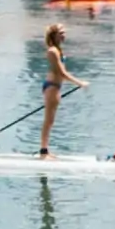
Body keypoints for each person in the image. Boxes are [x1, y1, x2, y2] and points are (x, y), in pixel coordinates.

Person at [39, 24, 89, 157]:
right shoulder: (52, 51)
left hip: (56, 87)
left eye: (64, 33)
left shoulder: (58, 50)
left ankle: (45, 150)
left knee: (51, 120)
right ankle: (43, 152)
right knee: (48, 120)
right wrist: (79, 83)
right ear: (54, 35)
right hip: (51, 86)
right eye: (61, 33)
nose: (63, 35)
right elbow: (61, 73)